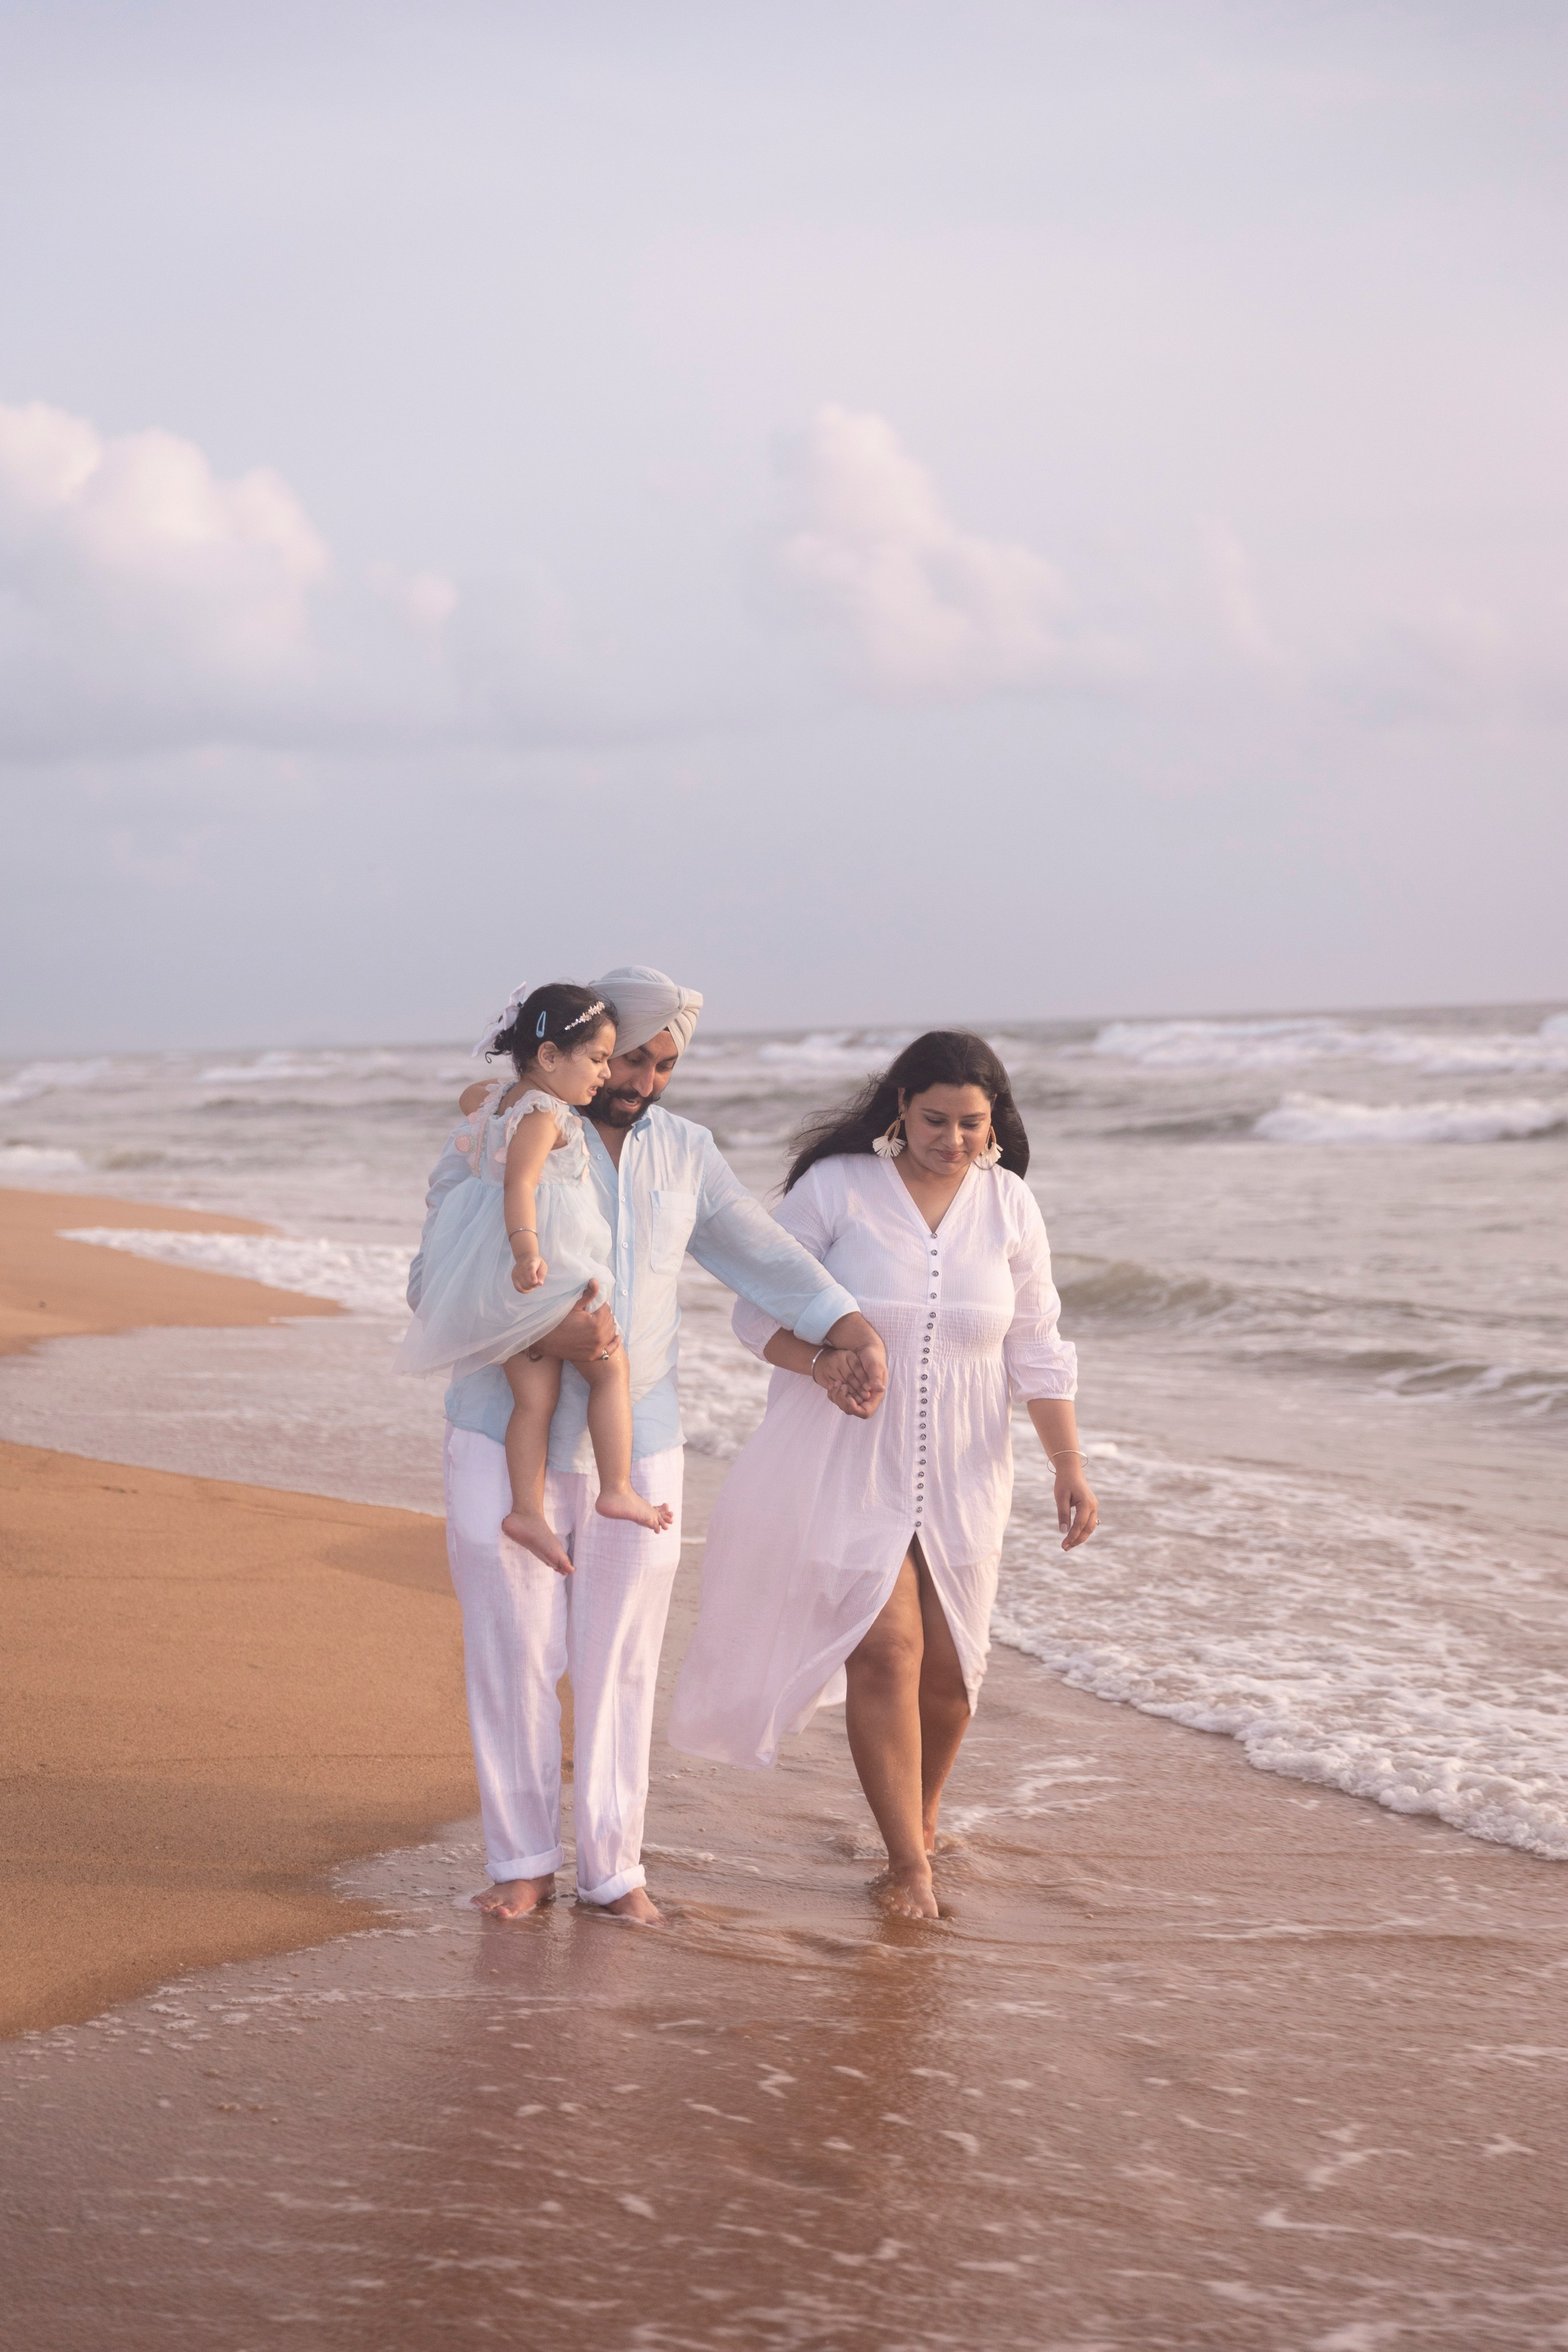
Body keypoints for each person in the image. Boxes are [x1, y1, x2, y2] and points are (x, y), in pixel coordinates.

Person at [407, 966, 888, 1925]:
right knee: (514, 1651)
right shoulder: (504, 1131)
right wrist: (545, 1335)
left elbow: (762, 1252)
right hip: (505, 1433)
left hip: (641, 1440)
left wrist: (849, 1330)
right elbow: (433, 1285)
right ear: (584, 1047)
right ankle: (520, 1863)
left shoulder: (687, 1152)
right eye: (630, 1057)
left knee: (622, 1657)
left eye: (665, 1065)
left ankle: (613, 1870)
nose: (643, 1081)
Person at [668, 1030, 1098, 1921]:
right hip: (845, 1454)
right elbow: (758, 1312)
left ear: (996, 1122)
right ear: (900, 1106)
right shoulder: (837, 1190)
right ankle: (909, 1866)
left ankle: (921, 1823)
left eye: (973, 1123)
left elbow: (1038, 1347)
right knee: (887, 1651)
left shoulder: (1012, 1206)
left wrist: (1070, 1464)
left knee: (951, 1675)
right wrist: (821, 1363)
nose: (954, 1139)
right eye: (936, 1119)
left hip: (967, 1466)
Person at [398, 981, 671, 1567]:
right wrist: (527, 1251)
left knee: (534, 1400)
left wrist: (510, 1087)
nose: (603, 1075)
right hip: (544, 1266)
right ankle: (618, 1488)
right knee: (610, 1368)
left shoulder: (498, 1097)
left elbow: (471, 1097)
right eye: (598, 1060)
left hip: (490, 1274)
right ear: (550, 1057)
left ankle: (527, 1510)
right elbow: (521, 1185)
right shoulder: (546, 1114)